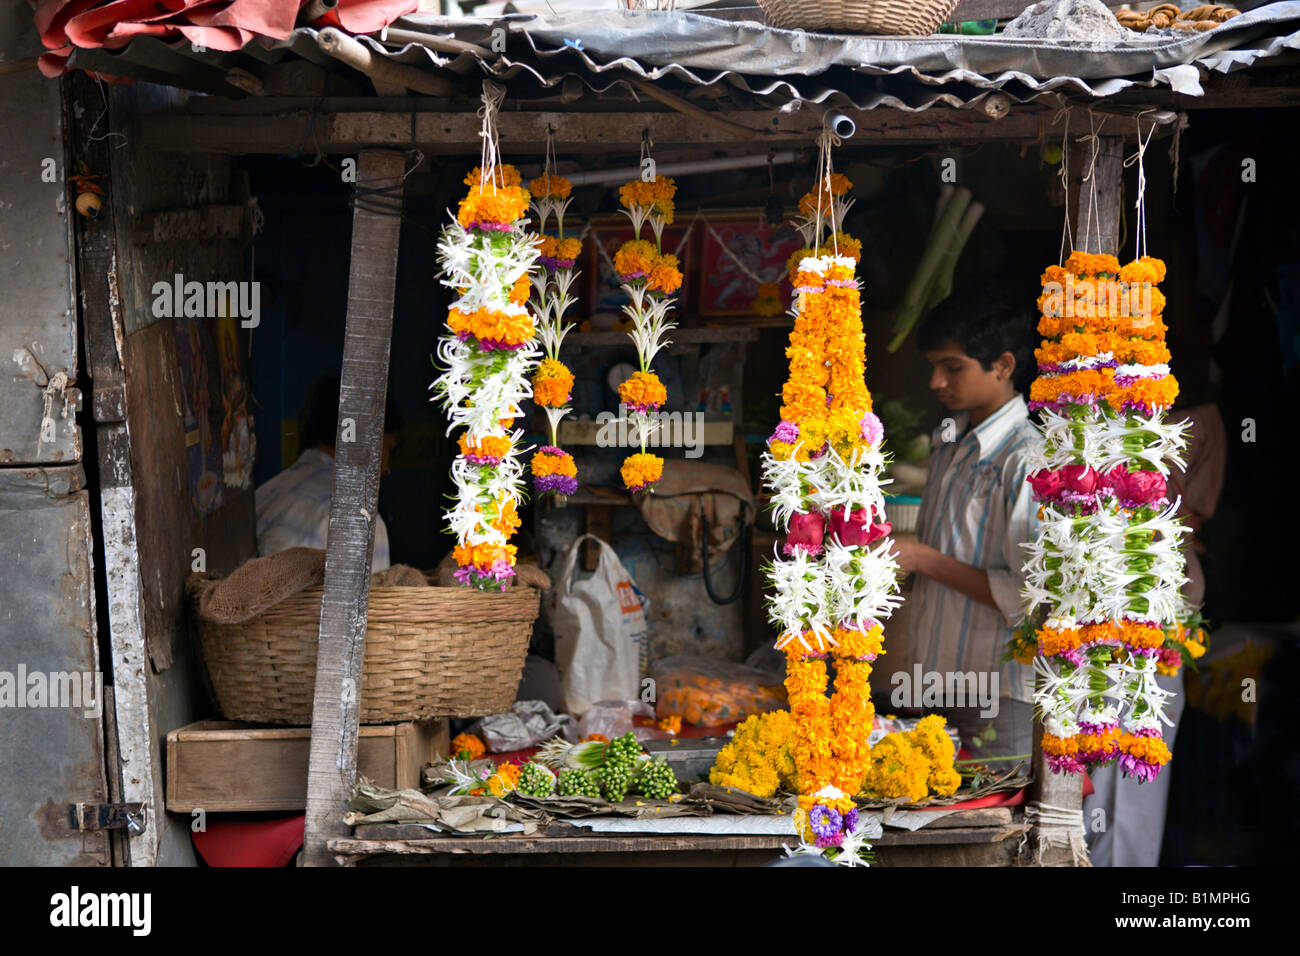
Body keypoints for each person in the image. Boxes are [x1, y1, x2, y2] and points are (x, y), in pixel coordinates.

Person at [891, 293, 1041, 761]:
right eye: (934, 366)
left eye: (952, 368)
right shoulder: (948, 442)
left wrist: (920, 558)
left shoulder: (1027, 459)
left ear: (1002, 365)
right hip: (932, 680)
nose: (936, 381)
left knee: (997, 827)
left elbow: (1027, 596)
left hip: (996, 690)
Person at [1084, 403, 1225, 866]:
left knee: (1136, 782)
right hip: (1095, 644)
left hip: (1156, 645)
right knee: (1097, 782)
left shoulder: (1200, 424)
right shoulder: (1088, 419)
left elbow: (1193, 537)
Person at [255, 375, 403, 571]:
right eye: (389, 448)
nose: (387, 468)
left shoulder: (265, 494)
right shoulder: (362, 520)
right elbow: (370, 602)